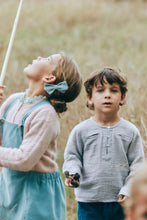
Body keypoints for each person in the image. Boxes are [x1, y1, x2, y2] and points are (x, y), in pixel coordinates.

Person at [0, 52, 82, 220]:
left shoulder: (45, 114)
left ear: (49, 78)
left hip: (36, 194)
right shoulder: (12, 101)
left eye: (47, 59)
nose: (38, 57)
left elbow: (25, 160)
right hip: (10, 186)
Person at [63, 67, 145, 220]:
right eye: (100, 90)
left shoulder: (130, 131)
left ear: (123, 97)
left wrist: (128, 190)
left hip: (121, 202)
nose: (107, 95)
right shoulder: (81, 130)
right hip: (89, 201)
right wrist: (73, 173)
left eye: (113, 90)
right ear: (89, 97)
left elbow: (137, 165)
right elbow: (72, 156)